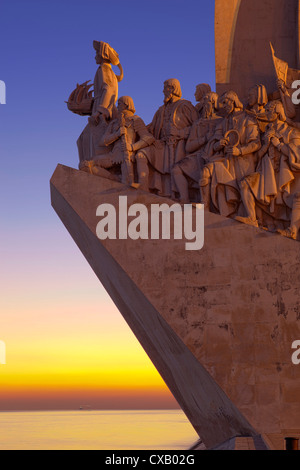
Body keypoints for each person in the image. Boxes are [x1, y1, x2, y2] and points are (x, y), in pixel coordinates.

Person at [236, 100, 300, 239]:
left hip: (286, 173)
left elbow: (296, 154)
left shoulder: (291, 132)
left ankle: (292, 230)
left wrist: (278, 144)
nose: (266, 114)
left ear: (277, 112)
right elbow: (257, 157)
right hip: (267, 172)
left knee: (296, 199)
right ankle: (252, 218)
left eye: (269, 111)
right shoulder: (265, 133)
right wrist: (265, 145)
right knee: (245, 184)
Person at [199, 90, 261, 218]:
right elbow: (214, 144)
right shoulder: (224, 122)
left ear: (233, 101)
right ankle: (204, 207)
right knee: (207, 171)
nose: (223, 106)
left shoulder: (247, 118)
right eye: (222, 103)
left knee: (243, 188)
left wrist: (240, 151)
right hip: (227, 161)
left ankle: (251, 218)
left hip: (243, 162)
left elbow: (256, 143)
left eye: (225, 102)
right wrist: (219, 144)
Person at [135, 78, 198, 198]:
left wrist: (180, 132)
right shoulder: (161, 110)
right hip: (162, 145)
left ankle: (183, 197)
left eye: (165, 88)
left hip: (179, 146)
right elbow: (151, 128)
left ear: (173, 89)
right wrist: (136, 125)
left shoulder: (185, 106)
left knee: (176, 171)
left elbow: (198, 128)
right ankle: (143, 185)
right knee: (141, 154)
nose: (163, 91)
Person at [80, 96, 154, 188]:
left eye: (119, 104)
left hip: (127, 156)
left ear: (126, 105)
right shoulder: (114, 123)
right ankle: (115, 179)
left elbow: (148, 138)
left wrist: (132, 147)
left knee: (127, 185)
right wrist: (117, 134)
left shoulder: (135, 120)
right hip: (113, 155)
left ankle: (121, 181)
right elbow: (103, 141)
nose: (117, 106)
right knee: (84, 165)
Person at [76, 41, 124, 163]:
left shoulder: (104, 69)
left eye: (97, 53)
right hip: (102, 107)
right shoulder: (105, 70)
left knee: (86, 139)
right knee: (84, 140)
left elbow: (108, 90)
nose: (95, 56)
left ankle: (92, 168)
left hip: (103, 112)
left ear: (102, 55)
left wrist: (98, 112)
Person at [171, 92, 221, 203]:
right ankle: (185, 198)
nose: (204, 105)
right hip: (197, 156)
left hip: (214, 155)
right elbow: (189, 147)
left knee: (207, 172)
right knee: (176, 169)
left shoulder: (221, 121)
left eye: (207, 102)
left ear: (213, 103)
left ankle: (207, 203)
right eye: (203, 102)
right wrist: (204, 139)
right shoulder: (198, 123)